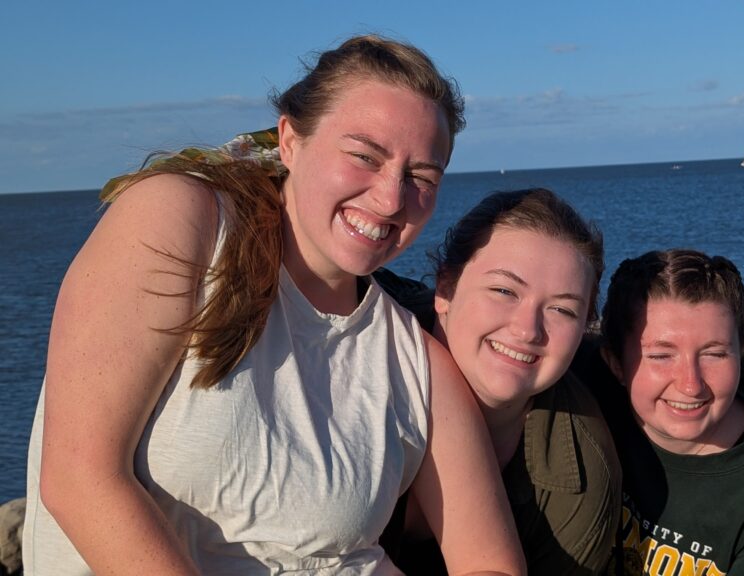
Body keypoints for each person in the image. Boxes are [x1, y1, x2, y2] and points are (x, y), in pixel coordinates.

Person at [23, 35, 524, 575]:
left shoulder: (414, 360)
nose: (390, 198)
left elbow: (490, 562)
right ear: (290, 140)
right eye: (363, 156)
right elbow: (79, 478)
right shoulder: (185, 223)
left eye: (421, 177)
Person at [373, 188, 621, 574]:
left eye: (562, 309)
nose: (527, 331)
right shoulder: (359, 340)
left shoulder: (580, 478)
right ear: (446, 290)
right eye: (504, 291)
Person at [589, 249, 744, 576]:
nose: (691, 385)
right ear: (616, 363)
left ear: (741, 353)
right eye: (660, 356)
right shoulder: (586, 387)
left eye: (714, 354)